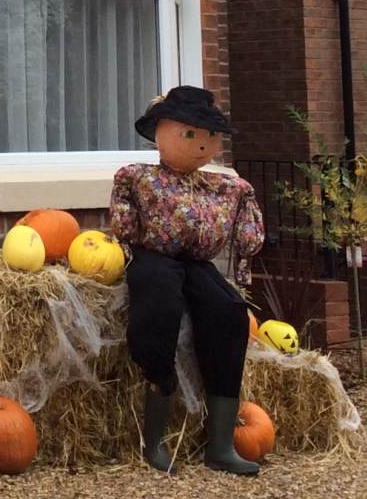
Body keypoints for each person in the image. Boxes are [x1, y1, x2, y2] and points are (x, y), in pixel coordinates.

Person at [108, 86, 266, 477]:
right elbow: (123, 213)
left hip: (195, 261)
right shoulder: (137, 177)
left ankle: (221, 445)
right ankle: (154, 437)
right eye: (190, 134)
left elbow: (246, 219)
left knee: (229, 310)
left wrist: (246, 248)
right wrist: (124, 246)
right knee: (159, 308)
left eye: (210, 136)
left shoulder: (221, 185)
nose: (202, 145)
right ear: (160, 133)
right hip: (153, 255)